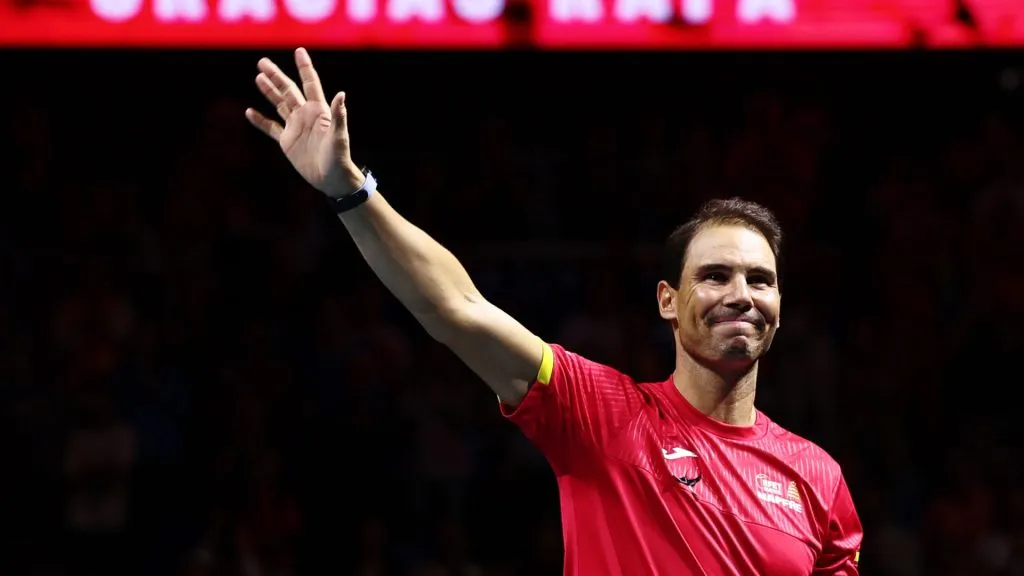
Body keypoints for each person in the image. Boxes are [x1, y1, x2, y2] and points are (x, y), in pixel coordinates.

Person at [244, 48, 863, 575]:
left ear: (780, 305)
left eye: (761, 280)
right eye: (715, 275)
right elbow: (457, 308)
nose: (741, 294)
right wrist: (350, 191)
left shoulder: (819, 478)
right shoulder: (602, 415)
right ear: (667, 302)